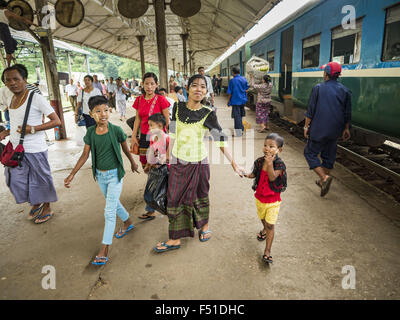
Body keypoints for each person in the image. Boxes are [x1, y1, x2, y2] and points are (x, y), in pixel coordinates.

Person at [153, 74, 245, 253]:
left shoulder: (208, 113)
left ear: (206, 91)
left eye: (203, 87)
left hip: (199, 163)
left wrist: (234, 163)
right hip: (179, 161)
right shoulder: (177, 108)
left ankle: (204, 226)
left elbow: (219, 140)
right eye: (194, 85)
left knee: (200, 195)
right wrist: (167, 155)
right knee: (174, 198)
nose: (198, 89)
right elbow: (172, 132)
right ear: (187, 88)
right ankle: (175, 238)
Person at [64, 95, 140, 266]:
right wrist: (72, 174)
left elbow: (126, 150)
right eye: (98, 111)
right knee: (112, 202)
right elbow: (85, 155)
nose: (103, 114)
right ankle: (128, 222)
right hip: (101, 176)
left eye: (105, 110)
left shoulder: (116, 131)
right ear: (91, 114)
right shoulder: (90, 133)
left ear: (109, 111)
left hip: (115, 176)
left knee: (109, 210)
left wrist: (133, 163)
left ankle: (105, 248)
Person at [0, 64, 61, 224]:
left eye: (16, 79)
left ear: (24, 80)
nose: (12, 83)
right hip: (15, 147)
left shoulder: (36, 98)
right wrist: (6, 132)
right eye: (8, 80)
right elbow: (15, 121)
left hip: (35, 148)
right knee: (15, 180)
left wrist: (32, 129)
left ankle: (46, 206)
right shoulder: (10, 98)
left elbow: (57, 121)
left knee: (41, 179)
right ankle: (36, 201)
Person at [303, 61, 352, 197]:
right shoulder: (345, 90)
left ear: (326, 74)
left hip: (319, 129)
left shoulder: (318, 88)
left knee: (310, 153)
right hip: (335, 130)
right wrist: (346, 129)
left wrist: (306, 126)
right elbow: (347, 113)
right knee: (329, 157)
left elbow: (310, 111)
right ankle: (322, 181)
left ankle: (324, 178)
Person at [130, 72, 170, 220]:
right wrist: (134, 136)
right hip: (145, 138)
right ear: (142, 84)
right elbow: (138, 119)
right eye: (146, 83)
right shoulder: (139, 100)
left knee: (155, 168)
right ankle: (155, 192)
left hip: (157, 138)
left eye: (152, 83)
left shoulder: (161, 99)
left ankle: (151, 206)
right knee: (146, 167)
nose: (149, 86)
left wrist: (165, 140)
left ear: (157, 85)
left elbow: (167, 119)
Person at [244, 133, 287, 264]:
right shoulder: (259, 161)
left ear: (279, 150)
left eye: (271, 146)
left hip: (273, 200)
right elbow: (253, 174)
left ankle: (267, 251)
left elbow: (272, 177)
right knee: (262, 219)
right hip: (259, 198)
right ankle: (264, 229)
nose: (267, 149)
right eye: (265, 145)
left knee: (270, 224)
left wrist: (269, 163)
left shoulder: (279, 165)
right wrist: (245, 174)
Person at [0, 1, 36, 66]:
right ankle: (8, 66)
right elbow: (22, 18)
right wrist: (33, 24)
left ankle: (10, 53)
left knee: (13, 42)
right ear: (5, 6)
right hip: (3, 28)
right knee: (9, 48)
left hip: (2, 31)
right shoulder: (6, 11)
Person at [227, 66, 249, 137]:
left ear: (233, 72)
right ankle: (241, 129)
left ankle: (239, 132)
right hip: (243, 100)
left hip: (235, 101)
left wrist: (228, 101)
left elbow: (230, 92)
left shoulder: (232, 81)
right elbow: (246, 89)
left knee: (237, 117)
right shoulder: (244, 79)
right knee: (241, 116)